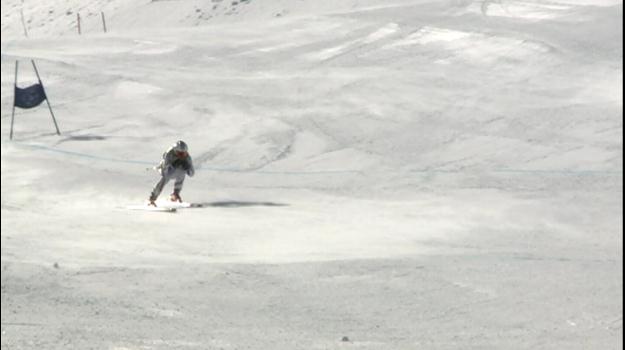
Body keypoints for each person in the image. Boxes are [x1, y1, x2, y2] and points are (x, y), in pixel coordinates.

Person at [149, 140, 195, 206]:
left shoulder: (187, 157)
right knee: (164, 180)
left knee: (182, 173)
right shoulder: (168, 154)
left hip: (177, 172)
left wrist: (187, 168)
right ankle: (152, 198)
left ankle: (175, 194)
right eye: (180, 154)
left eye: (184, 153)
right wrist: (173, 165)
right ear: (175, 151)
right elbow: (164, 171)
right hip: (167, 170)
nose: (182, 156)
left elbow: (192, 174)